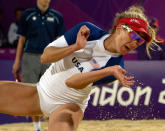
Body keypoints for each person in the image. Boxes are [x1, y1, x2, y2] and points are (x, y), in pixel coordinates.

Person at [1, 6, 157, 131]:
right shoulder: (88, 31)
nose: (136, 43)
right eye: (135, 36)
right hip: (40, 94)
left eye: (140, 42)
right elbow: (46, 57)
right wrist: (75, 46)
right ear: (119, 28)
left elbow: (72, 82)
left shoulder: (116, 68)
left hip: (68, 106)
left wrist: (108, 71)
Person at [12, 0, 65, 131]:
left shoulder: (57, 17)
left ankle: (53, 126)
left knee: (52, 93)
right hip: (30, 57)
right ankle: (37, 127)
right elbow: (21, 40)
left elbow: (61, 42)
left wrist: (62, 61)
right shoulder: (27, 15)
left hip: (50, 58)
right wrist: (17, 61)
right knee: (32, 93)